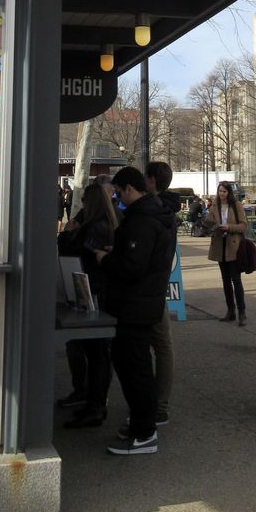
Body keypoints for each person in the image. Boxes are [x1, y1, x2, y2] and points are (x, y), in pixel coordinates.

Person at [94, 166, 175, 456]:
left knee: (135, 368)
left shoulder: (142, 220)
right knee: (132, 364)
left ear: (130, 188)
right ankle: (143, 424)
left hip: (136, 304)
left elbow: (133, 266)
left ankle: (144, 433)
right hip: (144, 302)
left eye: (118, 193)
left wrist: (105, 259)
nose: (117, 199)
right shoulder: (153, 216)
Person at [56, 182, 117, 427]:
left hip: (92, 291)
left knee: (95, 352)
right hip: (97, 290)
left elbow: (69, 247)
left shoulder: (93, 227)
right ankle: (93, 402)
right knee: (97, 352)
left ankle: (94, 404)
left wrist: (69, 231)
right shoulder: (109, 224)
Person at [143, 160, 179, 426]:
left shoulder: (154, 212)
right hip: (158, 283)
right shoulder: (167, 210)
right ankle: (158, 403)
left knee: (160, 344)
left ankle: (158, 405)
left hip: (150, 287)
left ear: (152, 180)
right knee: (161, 344)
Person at [206, 181, 249, 325]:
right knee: (225, 280)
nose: (222, 194)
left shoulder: (236, 205)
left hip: (233, 246)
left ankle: (241, 312)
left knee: (235, 280)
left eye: (224, 191)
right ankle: (230, 310)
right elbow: (209, 223)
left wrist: (229, 227)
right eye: (220, 191)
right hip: (219, 244)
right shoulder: (214, 206)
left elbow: (243, 225)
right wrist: (211, 227)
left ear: (229, 192)